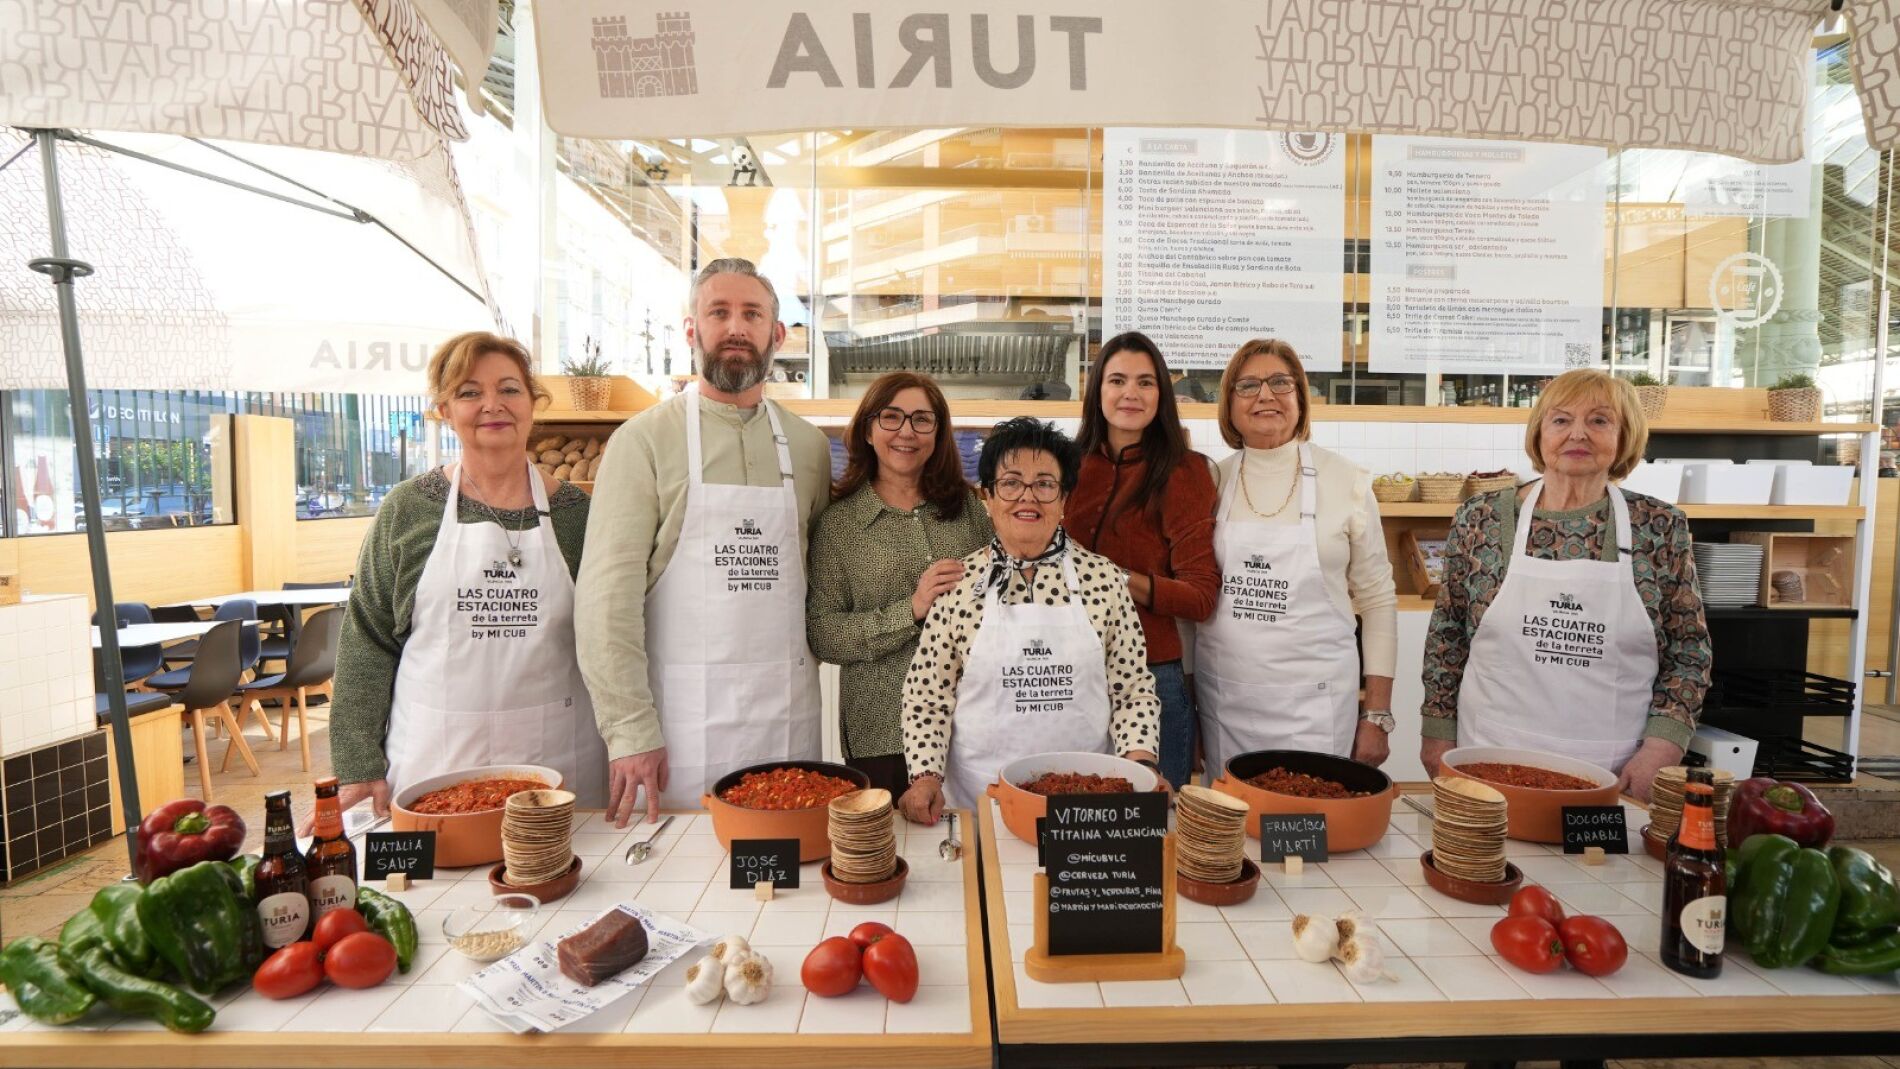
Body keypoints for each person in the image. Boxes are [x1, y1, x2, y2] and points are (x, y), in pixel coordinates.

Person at [576, 258, 832, 827]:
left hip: (787, 721)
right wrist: (629, 730)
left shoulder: (808, 447)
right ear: (692, 331)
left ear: (777, 335)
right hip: (678, 735)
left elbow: (819, 581)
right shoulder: (642, 442)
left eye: (752, 314)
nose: (736, 327)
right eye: (719, 312)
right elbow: (605, 603)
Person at [328, 332, 607, 815]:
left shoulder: (577, 515)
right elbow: (367, 641)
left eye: (509, 389)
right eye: (469, 392)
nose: (492, 405)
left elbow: (611, 637)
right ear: (443, 409)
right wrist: (357, 765)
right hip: (432, 766)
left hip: (560, 762)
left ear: (533, 403)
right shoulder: (408, 510)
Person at [1420, 369, 1710, 802]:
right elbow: (1447, 636)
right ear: (1539, 434)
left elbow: (1688, 649)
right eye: (1560, 420)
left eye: (1599, 420)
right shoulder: (1480, 518)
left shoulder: (1660, 527)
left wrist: (1663, 746)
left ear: (1624, 436)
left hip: (1611, 767)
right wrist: (1437, 732)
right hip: (1487, 755)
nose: (1578, 434)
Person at [896, 418, 1163, 825]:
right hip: (979, 802)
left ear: (1064, 500)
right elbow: (927, 699)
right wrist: (925, 777)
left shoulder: (1103, 579)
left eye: (1044, 484)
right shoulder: (957, 586)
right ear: (987, 496)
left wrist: (1142, 766)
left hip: (1088, 806)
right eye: (1010, 482)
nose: (1027, 497)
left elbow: (1132, 690)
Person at [1196, 339, 1399, 775]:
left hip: (1317, 708)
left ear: (1300, 399)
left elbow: (1378, 602)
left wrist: (1377, 714)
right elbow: (1191, 605)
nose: (1266, 395)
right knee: (1232, 834)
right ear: (1228, 404)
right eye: (1248, 385)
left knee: (1314, 826)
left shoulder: (1346, 481)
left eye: (1280, 383)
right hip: (1227, 705)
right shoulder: (1209, 483)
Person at [807, 373, 993, 796]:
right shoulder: (840, 525)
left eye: (922, 420)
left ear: (938, 433)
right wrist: (910, 609)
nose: (906, 431)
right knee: (898, 853)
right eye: (891, 417)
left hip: (972, 721)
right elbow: (823, 635)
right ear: (868, 430)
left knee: (973, 847)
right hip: (882, 731)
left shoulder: (967, 509)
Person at [1067, 332, 1220, 789]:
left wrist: (1116, 578)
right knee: (1070, 824)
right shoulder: (1066, 465)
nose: (1130, 393)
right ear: (1097, 391)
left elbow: (1201, 596)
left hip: (1154, 678)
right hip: (1069, 673)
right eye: (1116, 380)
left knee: (1152, 835)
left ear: (1162, 395)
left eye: (1145, 382)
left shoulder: (1185, 471)